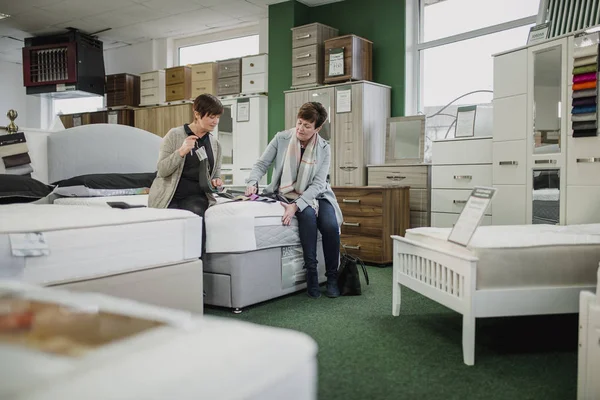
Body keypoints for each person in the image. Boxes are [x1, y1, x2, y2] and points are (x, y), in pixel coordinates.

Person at [245, 102, 343, 299]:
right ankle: (312, 275)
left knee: (330, 225)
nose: (300, 129)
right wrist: (252, 181)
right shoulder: (281, 138)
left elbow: (317, 184)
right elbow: (262, 163)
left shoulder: (324, 148)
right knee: (307, 216)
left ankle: (332, 278)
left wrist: (295, 206)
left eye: (307, 126)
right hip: (287, 192)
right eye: (299, 123)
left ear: (318, 128)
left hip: (317, 194)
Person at [148, 93, 223, 252]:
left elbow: (215, 175)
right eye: (211, 117)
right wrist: (181, 151)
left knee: (195, 214)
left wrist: (216, 182)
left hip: (196, 196)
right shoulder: (174, 135)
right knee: (168, 224)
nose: (215, 121)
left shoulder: (215, 144)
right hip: (169, 196)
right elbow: (162, 170)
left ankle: (196, 262)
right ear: (197, 114)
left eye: (217, 117)